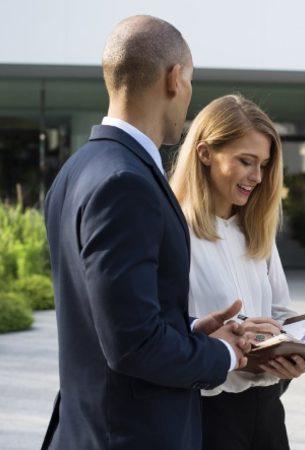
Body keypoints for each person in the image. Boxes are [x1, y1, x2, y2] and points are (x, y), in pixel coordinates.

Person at [42, 16, 251, 450]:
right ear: (174, 79)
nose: (189, 97)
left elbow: (112, 315)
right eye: (191, 82)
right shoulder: (126, 182)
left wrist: (189, 327)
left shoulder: (75, 170)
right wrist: (224, 354)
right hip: (129, 436)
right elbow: (132, 344)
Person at [169, 94, 305, 450]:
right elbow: (162, 333)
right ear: (204, 153)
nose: (257, 177)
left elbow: (282, 313)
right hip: (203, 415)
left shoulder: (257, 232)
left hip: (266, 412)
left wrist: (291, 356)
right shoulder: (172, 232)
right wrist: (227, 346)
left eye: (263, 165)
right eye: (246, 162)